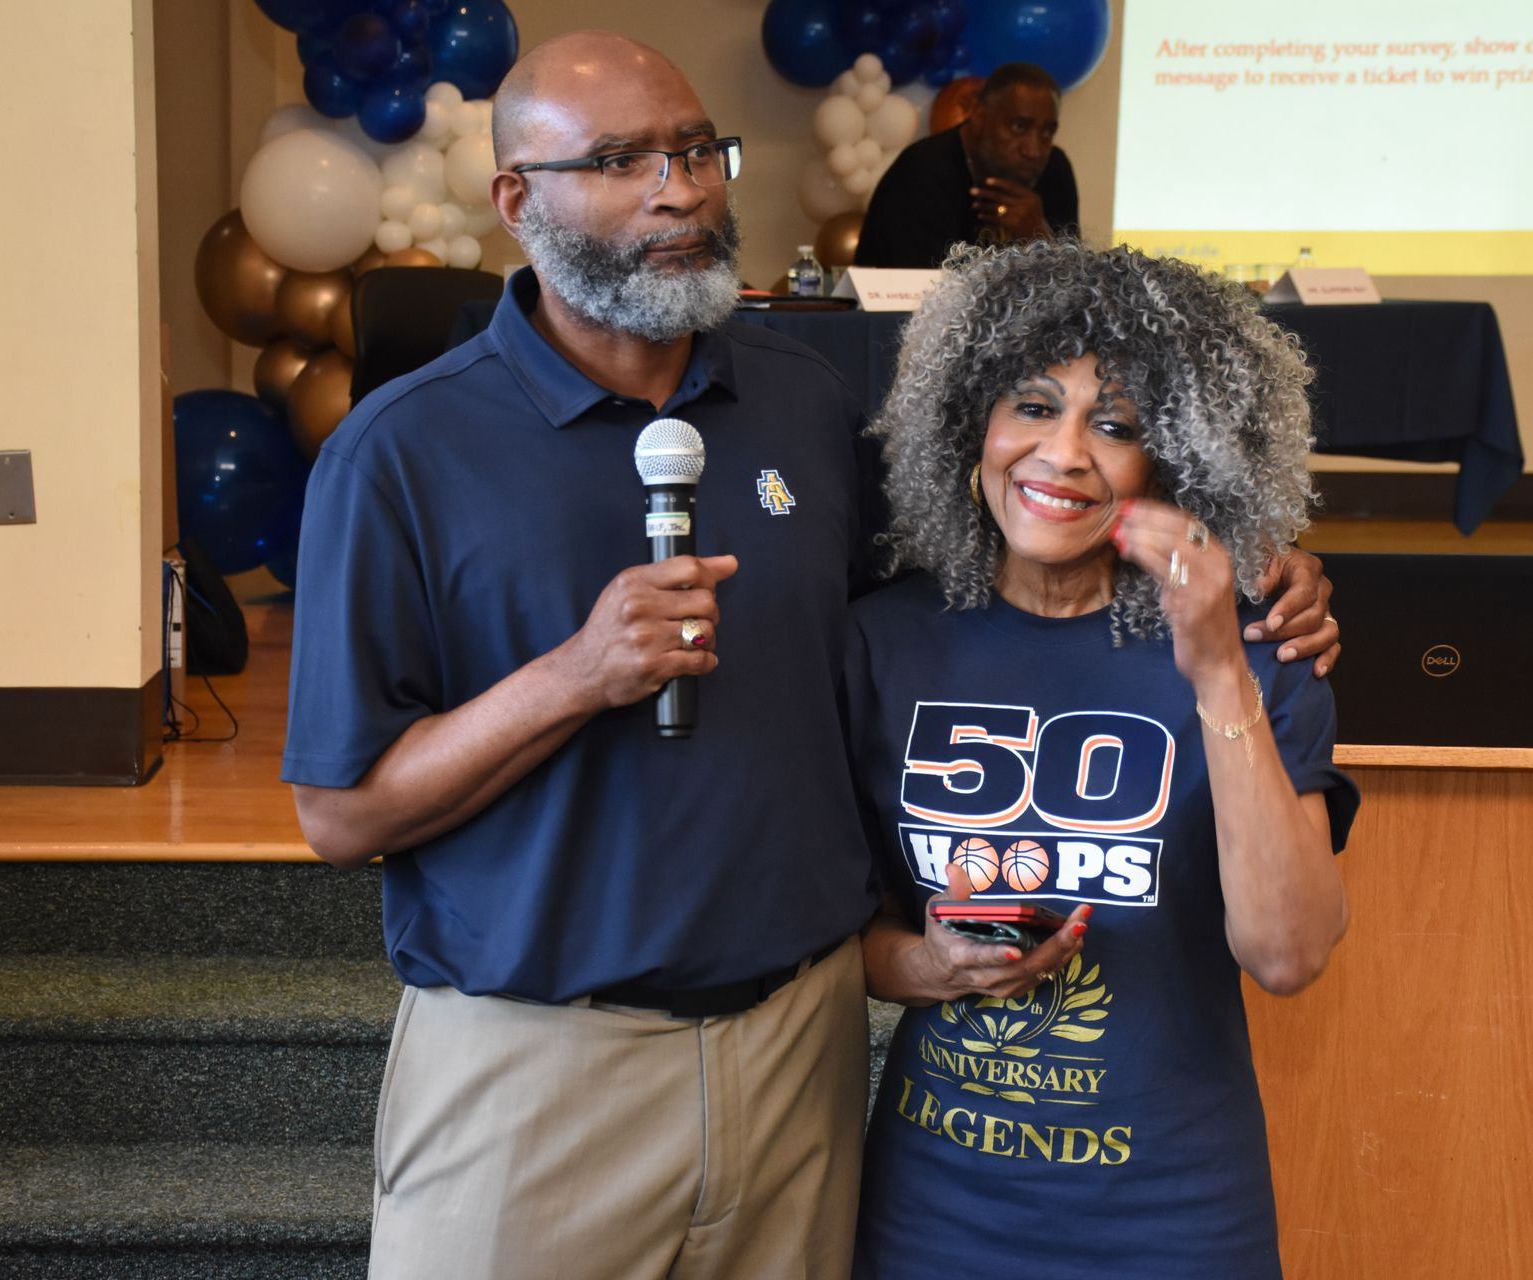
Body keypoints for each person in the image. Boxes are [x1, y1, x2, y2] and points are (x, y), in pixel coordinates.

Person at [283, 31, 1338, 1279]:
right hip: (541, 1063)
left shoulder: (800, 402)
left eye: (694, 151)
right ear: (517, 199)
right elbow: (341, 814)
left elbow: (1016, 540)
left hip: (802, 1052)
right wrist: (577, 674)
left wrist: (1266, 564)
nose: (676, 188)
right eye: (620, 160)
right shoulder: (402, 451)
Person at [844, 239, 1359, 1279]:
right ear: (969, 426)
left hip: (1170, 1213)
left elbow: (1289, 952)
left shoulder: (1260, 659)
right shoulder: (878, 644)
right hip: (933, 1211)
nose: (1065, 452)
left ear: (1177, 463)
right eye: (1031, 406)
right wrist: (928, 964)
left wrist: (1218, 670)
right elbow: (833, 933)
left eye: (1115, 425)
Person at [853, 62, 1077, 269]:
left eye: (1048, 132)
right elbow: (923, 296)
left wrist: (1040, 240)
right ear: (979, 116)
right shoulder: (922, 173)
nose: (1033, 150)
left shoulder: (1054, 170)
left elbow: (1077, 294)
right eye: (1019, 127)